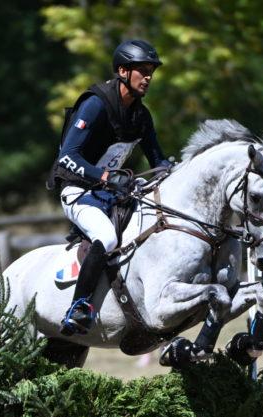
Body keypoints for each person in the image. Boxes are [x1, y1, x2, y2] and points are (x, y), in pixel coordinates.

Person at [48, 39, 171, 336]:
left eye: (151, 71)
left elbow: (158, 160)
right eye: (142, 70)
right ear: (122, 71)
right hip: (78, 191)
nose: (149, 77)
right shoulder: (95, 105)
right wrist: (104, 178)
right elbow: (67, 157)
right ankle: (79, 306)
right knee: (106, 236)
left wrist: (173, 169)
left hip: (112, 194)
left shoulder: (140, 115)